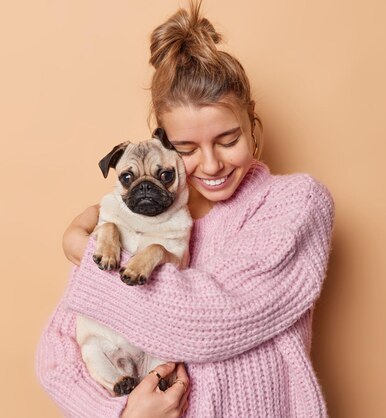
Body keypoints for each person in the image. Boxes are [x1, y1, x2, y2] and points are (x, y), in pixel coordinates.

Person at [35, 1, 335, 417]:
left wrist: (84, 254)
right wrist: (121, 414)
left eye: (229, 140)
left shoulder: (294, 204)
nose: (211, 165)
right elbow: (58, 353)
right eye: (187, 149)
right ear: (163, 146)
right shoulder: (134, 219)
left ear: (254, 127)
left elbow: (208, 323)